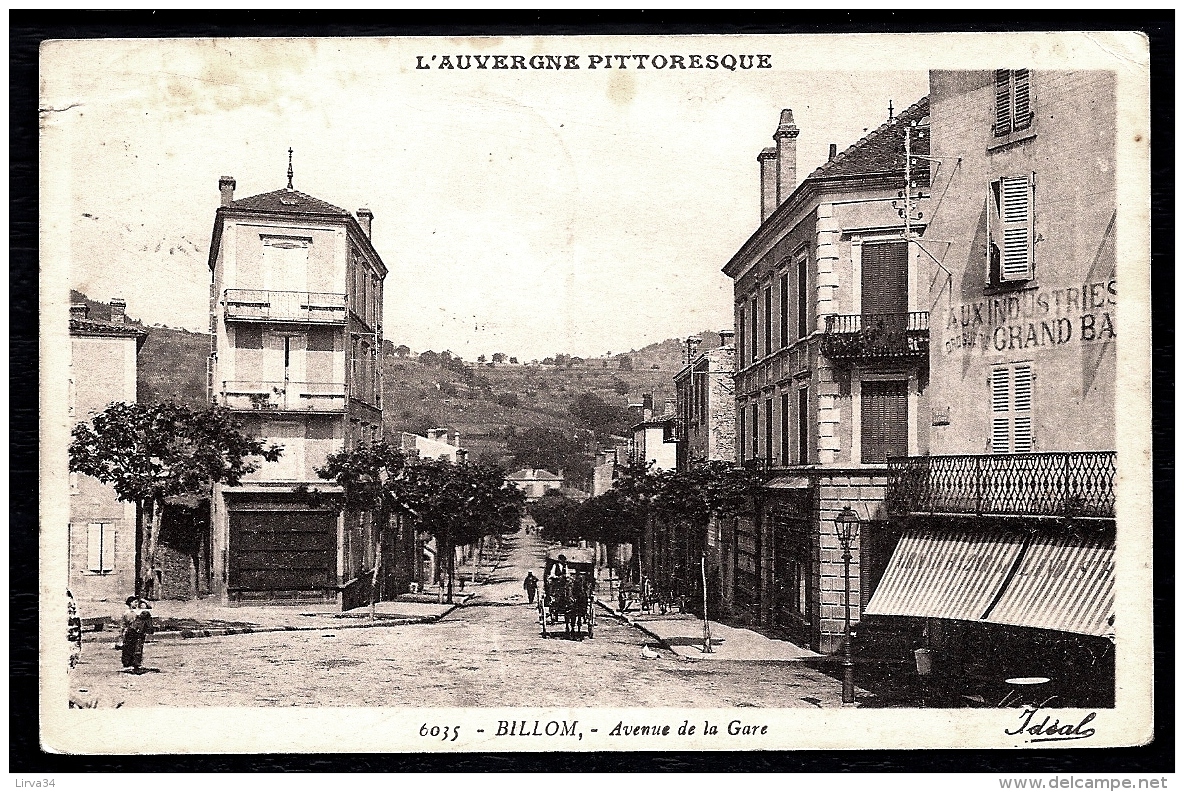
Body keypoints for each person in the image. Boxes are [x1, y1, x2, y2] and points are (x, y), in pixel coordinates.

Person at [120, 596, 153, 673]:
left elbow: (149, 607)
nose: (136, 603)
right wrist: (122, 635)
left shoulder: (139, 611)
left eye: (137, 602)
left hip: (138, 633)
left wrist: (144, 601)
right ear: (130, 603)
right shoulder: (127, 613)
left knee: (137, 648)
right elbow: (123, 625)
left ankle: (136, 665)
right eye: (135, 602)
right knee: (130, 648)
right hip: (130, 632)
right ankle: (130, 664)